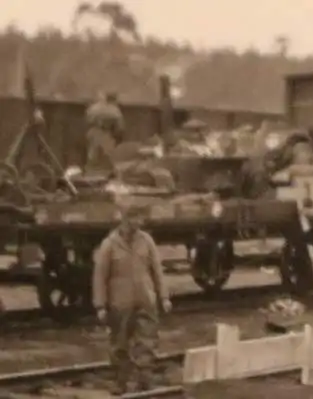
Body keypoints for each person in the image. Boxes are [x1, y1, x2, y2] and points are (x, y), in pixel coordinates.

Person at [92, 203, 172, 394]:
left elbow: (157, 271)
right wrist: (100, 305)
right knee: (120, 343)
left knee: (147, 342)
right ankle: (121, 382)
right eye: (134, 218)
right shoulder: (109, 245)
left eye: (140, 218)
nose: (138, 222)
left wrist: (164, 296)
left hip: (145, 299)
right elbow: (100, 277)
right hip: (120, 303)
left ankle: (144, 381)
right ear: (124, 220)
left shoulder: (147, 241)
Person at [85, 91, 125, 172]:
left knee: (92, 156)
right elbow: (120, 127)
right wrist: (118, 137)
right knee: (108, 157)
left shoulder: (94, 107)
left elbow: (87, 119)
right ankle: (106, 175)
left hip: (93, 131)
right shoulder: (114, 110)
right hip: (105, 133)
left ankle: (90, 173)